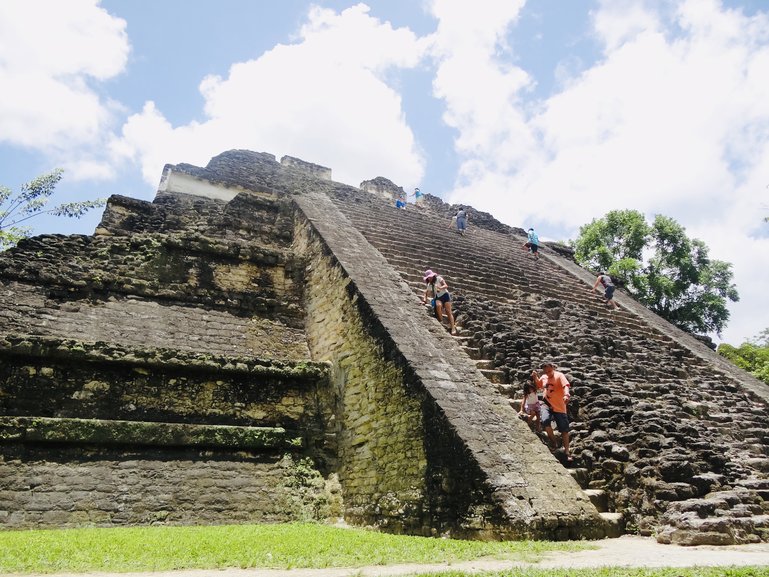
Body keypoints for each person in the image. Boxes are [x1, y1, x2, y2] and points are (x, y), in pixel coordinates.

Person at [531, 362, 572, 462]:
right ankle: (554, 442)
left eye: (550, 371)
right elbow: (539, 385)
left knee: (564, 430)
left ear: (553, 368)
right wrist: (535, 377)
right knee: (545, 421)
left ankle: (566, 451)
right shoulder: (544, 377)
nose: (548, 373)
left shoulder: (560, 376)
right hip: (546, 404)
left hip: (559, 406)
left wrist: (566, 395)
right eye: (546, 371)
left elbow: (566, 385)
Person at [422, 269, 457, 335]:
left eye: (430, 277)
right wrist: (424, 301)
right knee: (438, 305)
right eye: (428, 277)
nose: (430, 278)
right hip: (438, 297)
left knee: (448, 311)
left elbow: (446, 285)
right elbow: (426, 293)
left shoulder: (439, 278)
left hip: (445, 295)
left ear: (433, 276)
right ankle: (441, 321)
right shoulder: (429, 284)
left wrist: (440, 288)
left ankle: (453, 327)